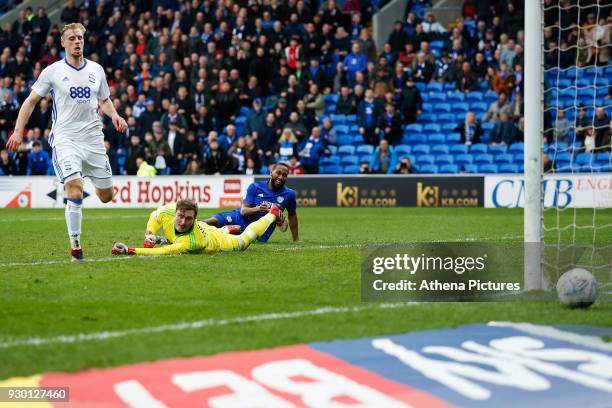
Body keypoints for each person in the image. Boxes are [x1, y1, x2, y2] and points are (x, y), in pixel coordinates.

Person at [6, 23, 127, 261]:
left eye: (80, 37)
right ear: (63, 43)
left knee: (106, 196)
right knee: (74, 187)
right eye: (71, 38)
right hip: (65, 138)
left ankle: (83, 182)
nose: (77, 41)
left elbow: (104, 100)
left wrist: (115, 115)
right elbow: (30, 101)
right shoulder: (52, 71)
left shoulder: (97, 70)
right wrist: (18, 131)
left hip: (93, 139)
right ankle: (76, 247)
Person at [111, 198, 284, 256]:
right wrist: (149, 234)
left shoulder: (193, 242)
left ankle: (272, 214)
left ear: (194, 219)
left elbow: (162, 251)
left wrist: (130, 250)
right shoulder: (168, 211)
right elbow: (154, 217)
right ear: (176, 211)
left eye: (188, 219)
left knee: (245, 239)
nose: (183, 221)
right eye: (180, 216)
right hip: (204, 228)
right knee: (171, 238)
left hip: (217, 242)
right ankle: (225, 228)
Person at [204, 161, 299, 243]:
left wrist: (296, 239)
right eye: (278, 173)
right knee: (214, 221)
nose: (281, 177)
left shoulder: (289, 194)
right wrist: (258, 208)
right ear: (271, 173)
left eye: (284, 175)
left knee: (224, 237)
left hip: (260, 231)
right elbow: (243, 211)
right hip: (240, 218)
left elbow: (292, 215)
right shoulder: (255, 187)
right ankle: (194, 227)